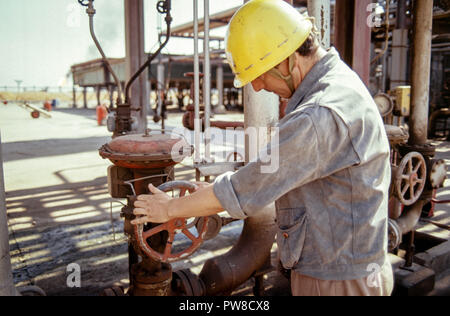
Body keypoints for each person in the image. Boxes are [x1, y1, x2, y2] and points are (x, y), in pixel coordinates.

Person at [132, 0, 394, 296]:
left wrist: (170, 208)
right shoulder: (338, 85)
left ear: (287, 60)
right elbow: (276, 175)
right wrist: (205, 194)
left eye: (259, 74)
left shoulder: (318, 115)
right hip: (348, 268)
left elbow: (247, 191)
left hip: (335, 280)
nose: (257, 87)